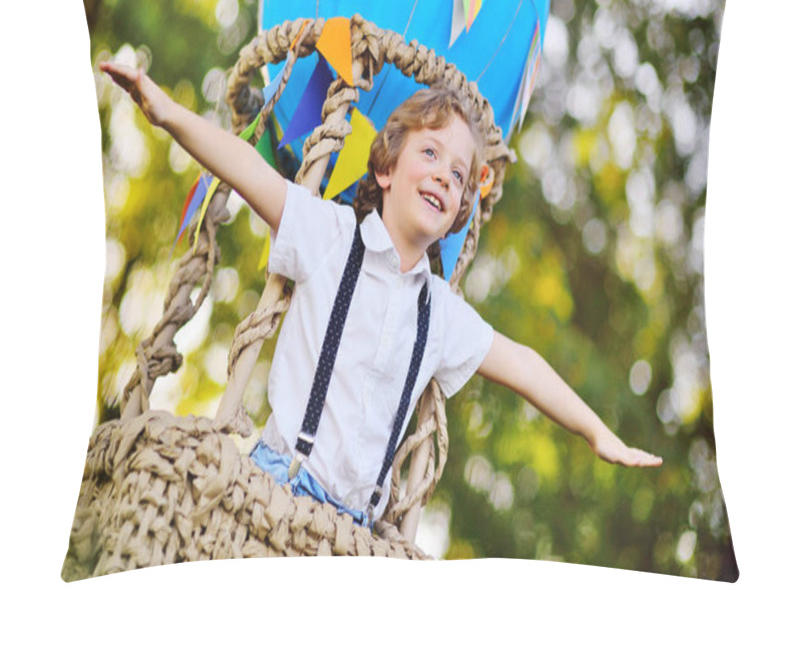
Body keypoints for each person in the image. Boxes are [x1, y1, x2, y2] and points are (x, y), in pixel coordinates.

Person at [100, 60, 662, 529]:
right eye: (430, 154)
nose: (446, 175)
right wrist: (165, 111)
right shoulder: (330, 237)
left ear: (458, 210)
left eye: (461, 175)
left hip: (352, 533)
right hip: (274, 494)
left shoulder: (439, 314)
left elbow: (525, 364)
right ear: (387, 168)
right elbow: (249, 167)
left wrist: (597, 432)